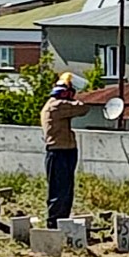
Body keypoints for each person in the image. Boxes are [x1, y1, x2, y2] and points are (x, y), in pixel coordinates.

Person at [41, 72, 90, 227]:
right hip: (58, 152)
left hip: (64, 150)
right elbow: (82, 108)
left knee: (66, 190)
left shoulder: (56, 104)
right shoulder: (56, 105)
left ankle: (62, 221)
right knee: (59, 191)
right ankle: (54, 224)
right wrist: (79, 96)